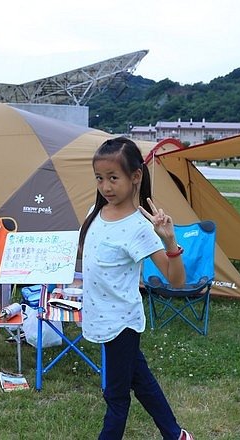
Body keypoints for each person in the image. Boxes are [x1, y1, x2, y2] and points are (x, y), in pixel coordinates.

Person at [78, 137, 194, 440]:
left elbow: (176, 280)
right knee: (140, 379)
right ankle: (176, 434)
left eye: (113, 178)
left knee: (116, 396)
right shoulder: (96, 211)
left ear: (136, 177)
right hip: (99, 316)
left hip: (121, 323)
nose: (106, 186)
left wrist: (169, 241)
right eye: (100, 178)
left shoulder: (140, 227)